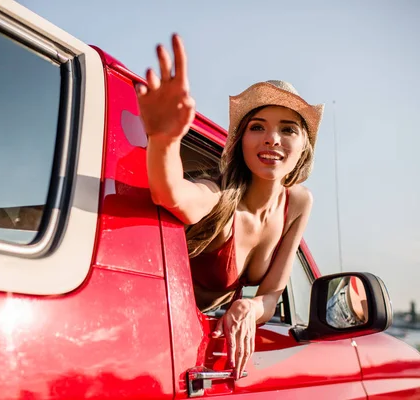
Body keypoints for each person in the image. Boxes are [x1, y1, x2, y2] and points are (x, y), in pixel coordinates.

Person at [137, 34, 324, 379]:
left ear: (303, 147)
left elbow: (270, 295)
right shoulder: (218, 194)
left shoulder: (298, 202)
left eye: (288, 129)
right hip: (157, 336)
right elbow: (172, 194)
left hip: (201, 348)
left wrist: (247, 307)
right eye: (258, 127)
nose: (272, 139)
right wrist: (164, 141)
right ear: (241, 143)